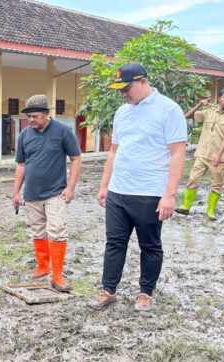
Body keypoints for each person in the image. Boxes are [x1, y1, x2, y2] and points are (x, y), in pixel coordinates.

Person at [91, 63, 187, 311]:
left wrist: (169, 195)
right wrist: (105, 185)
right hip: (118, 191)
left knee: (150, 245)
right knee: (114, 242)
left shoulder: (168, 110)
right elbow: (114, 151)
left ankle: (145, 292)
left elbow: (177, 154)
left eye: (127, 88)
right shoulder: (122, 112)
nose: (123, 94)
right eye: (120, 89)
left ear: (143, 82)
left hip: (149, 193)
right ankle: (108, 290)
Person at [12, 95, 82, 292]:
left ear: (46, 113)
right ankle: (43, 265)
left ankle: (57, 275)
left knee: (57, 230)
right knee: (38, 230)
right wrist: (16, 192)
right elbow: (21, 165)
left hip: (55, 193)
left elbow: (76, 158)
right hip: (31, 194)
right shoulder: (25, 135)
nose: (31, 120)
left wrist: (70, 188)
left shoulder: (62, 131)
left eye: (35, 116)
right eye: (28, 117)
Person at [175, 88, 224, 220]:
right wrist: (199, 104)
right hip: (202, 153)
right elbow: (187, 116)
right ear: (219, 98)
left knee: (216, 184)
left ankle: (210, 211)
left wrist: (219, 154)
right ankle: (186, 207)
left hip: (218, 157)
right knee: (193, 179)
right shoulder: (208, 112)